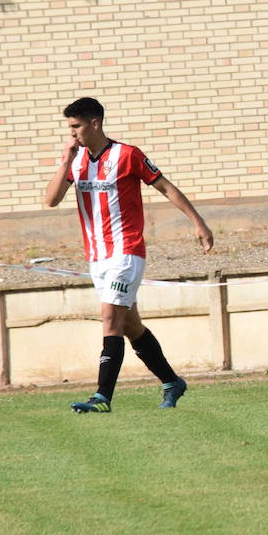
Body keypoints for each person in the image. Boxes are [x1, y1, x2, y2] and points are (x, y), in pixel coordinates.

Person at [42, 97, 213, 413]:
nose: (72, 134)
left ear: (95, 123)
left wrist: (197, 221)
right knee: (131, 326)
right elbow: (51, 200)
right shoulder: (76, 161)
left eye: (76, 126)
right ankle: (172, 382)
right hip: (97, 258)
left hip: (126, 252)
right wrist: (65, 161)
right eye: (69, 128)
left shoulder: (128, 155)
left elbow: (165, 187)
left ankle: (102, 397)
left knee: (110, 319)